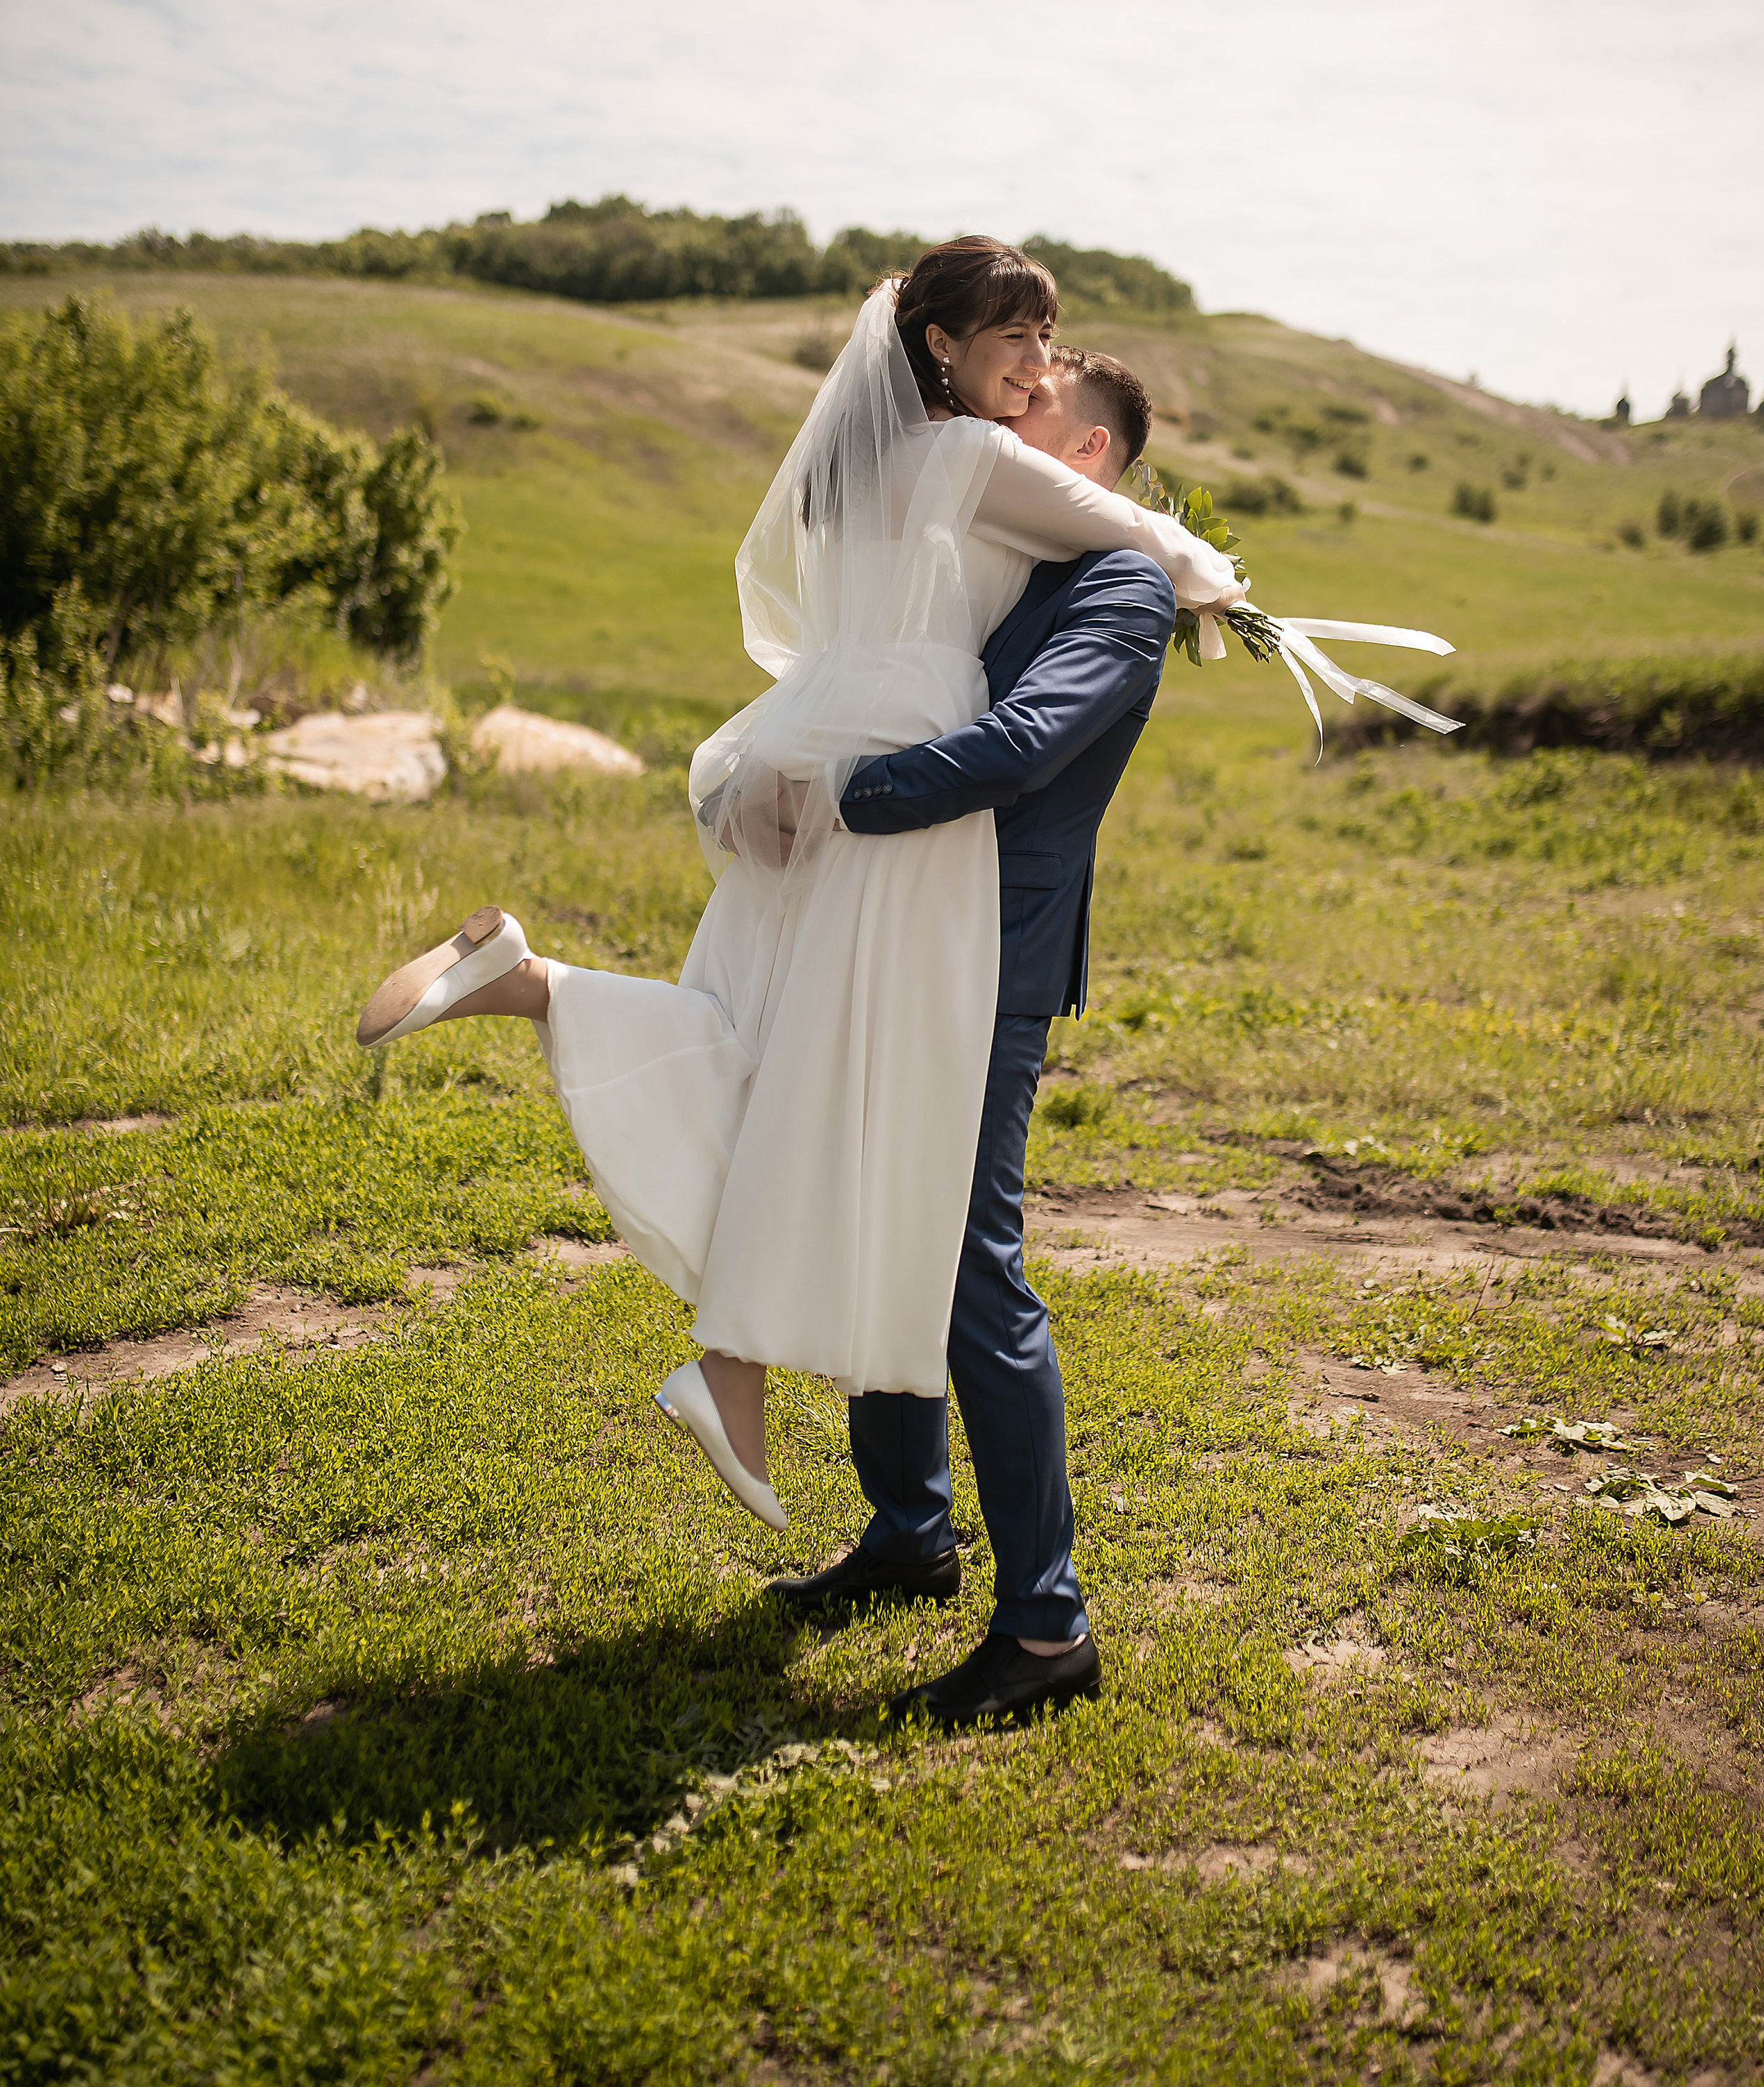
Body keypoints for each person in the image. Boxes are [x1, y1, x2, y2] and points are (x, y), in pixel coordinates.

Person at [355, 238, 1239, 1547]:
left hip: (825, 731)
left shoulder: (860, 468)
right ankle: (764, 1393)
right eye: (1020, 341)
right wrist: (1220, 585)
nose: (1037, 370)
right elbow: (1141, 535)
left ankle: (551, 998)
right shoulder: (972, 461)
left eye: (1051, 354)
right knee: (840, 1109)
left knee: (774, 1060)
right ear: (941, 346)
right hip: (899, 780)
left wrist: (807, 772)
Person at [768, 343, 1177, 1729]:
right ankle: (907, 1532)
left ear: (1088, 461)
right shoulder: (996, 564)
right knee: (888, 1221)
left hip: (988, 959)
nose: (996, 418)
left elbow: (1014, 748)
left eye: (1029, 409)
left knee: (964, 1266)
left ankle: (1049, 1626)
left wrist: (844, 793)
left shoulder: (1117, 588)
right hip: (898, 937)